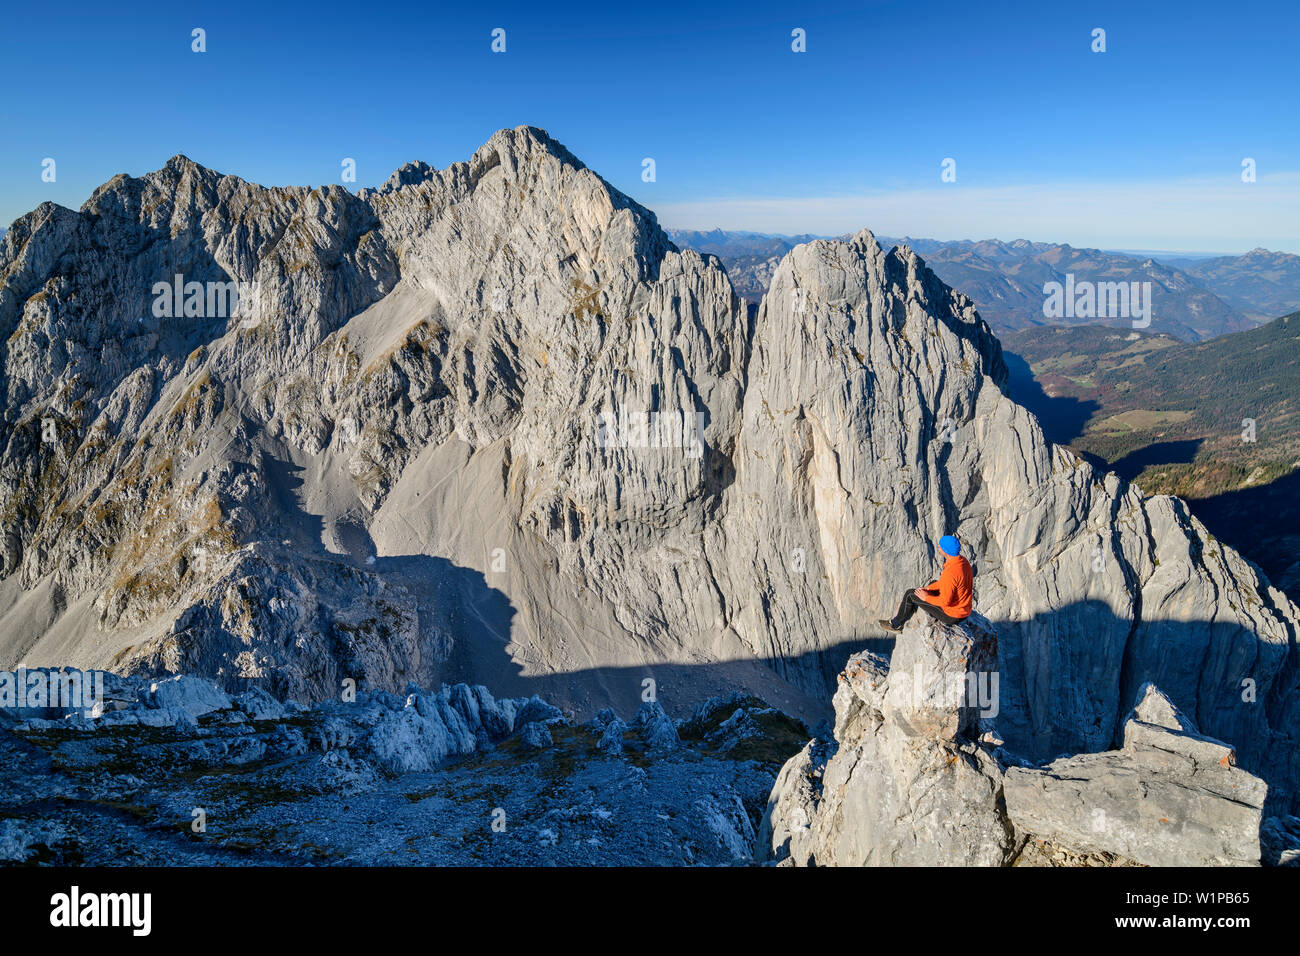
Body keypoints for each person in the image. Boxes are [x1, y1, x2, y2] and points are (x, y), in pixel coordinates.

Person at [878, 535, 973, 633]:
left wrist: (926, 598)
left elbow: (945, 602)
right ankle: (920, 603)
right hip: (964, 610)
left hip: (952, 615)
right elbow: (946, 583)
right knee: (933, 584)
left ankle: (896, 624)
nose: (938, 547)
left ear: (946, 551)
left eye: (940, 546)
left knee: (910, 594)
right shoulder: (963, 562)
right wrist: (928, 589)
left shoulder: (950, 573)